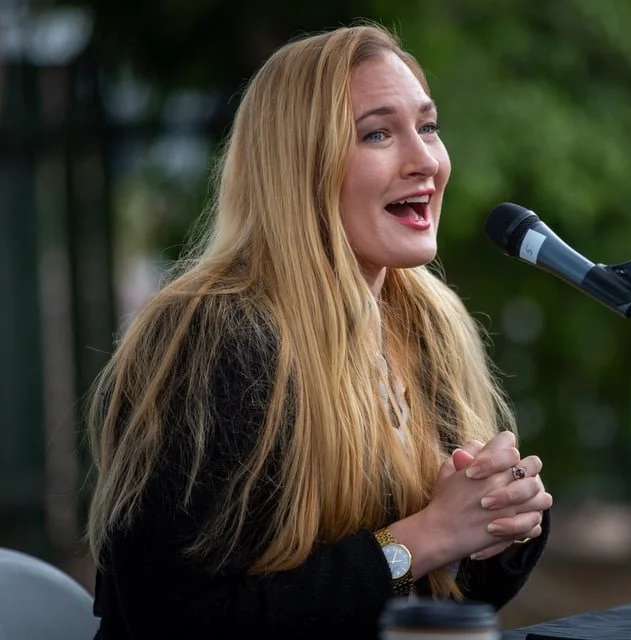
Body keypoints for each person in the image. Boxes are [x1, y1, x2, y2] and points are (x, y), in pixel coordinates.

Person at [84, 22, 552, 640]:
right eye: (378, 133)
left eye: (429, 127)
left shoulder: (428, 323)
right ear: (299, 166)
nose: (426, 161)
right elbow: (180, 619)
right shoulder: (214, 336)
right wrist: (427, 536)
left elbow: (433, 602)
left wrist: (496, 527)